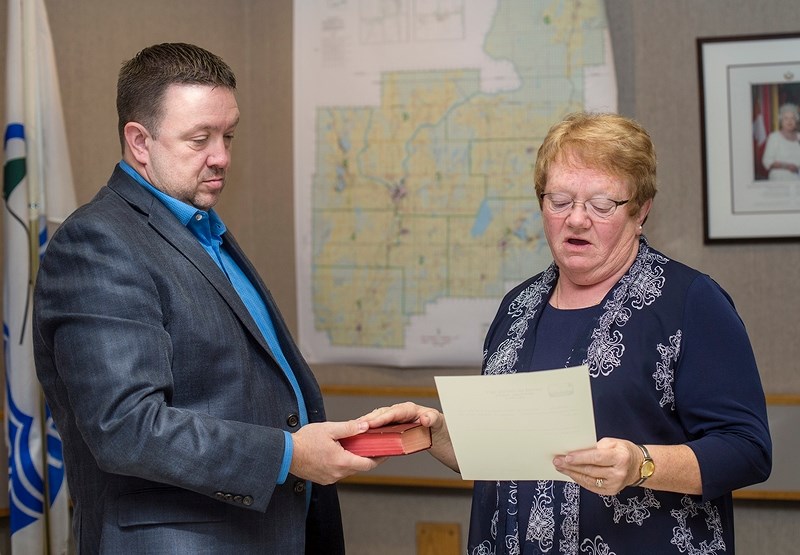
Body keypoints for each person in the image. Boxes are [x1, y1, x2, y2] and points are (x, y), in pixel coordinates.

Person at [364, 112, 772, 554]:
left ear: (641, 210)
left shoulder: (690, 302)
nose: (576, 220)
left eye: (600, 205)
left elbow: (747, 449)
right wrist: (440, 432)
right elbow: (512, 456)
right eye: (559, 200)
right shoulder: (517, 307)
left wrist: (643, 465)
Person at [33, 42, 381, 554]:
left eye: (228, 135)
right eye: (200, 139)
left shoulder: (203, 231)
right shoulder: (98, 243)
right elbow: (126, 427)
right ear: (139, 142)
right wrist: (287, 455)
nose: (221, 156)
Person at [762, 102, 800, 180]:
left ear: (796, 121)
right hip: (779, 181)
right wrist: (787, 166)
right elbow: (767, 162)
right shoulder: (774, 137)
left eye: (792, 118)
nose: (789, 121)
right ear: (781, 121)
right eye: (786, 118)